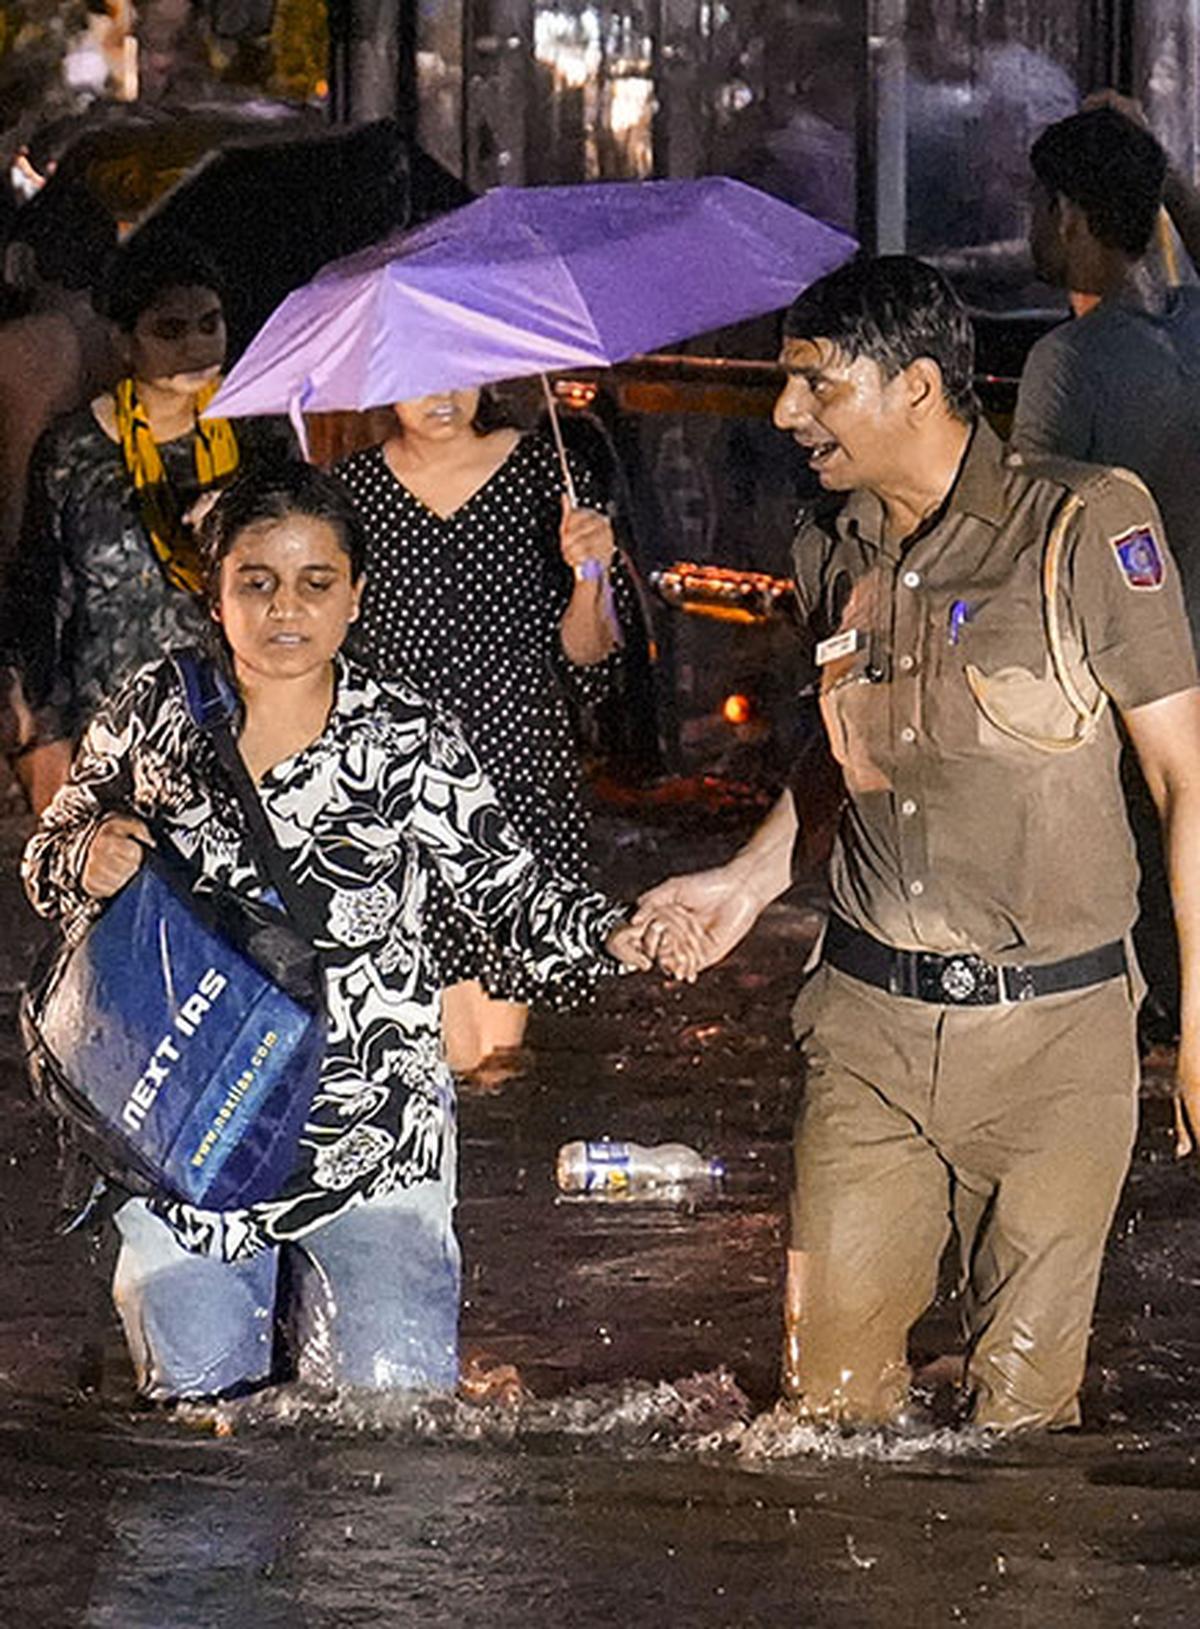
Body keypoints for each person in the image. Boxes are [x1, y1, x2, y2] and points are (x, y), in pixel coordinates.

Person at [637, 255, 1200, 1432]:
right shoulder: (826, 548)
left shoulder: (1085, 525)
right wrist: (747, 883)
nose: (788, 416)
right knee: (824, 1426)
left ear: (921, 387)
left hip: (1056, 1049)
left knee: (1021, 1431)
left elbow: (1185, 779)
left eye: (817, 387)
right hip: (868, 1036)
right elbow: (847, 757)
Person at [22, 461, 653, 1404]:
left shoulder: (407, 736)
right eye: (257, 582)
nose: (287, 609)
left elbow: (508, 897)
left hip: (375, 1139)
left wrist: (625, 933)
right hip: (189, 1135)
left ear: (355, 594)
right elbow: (47, 853)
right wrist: (85, 855)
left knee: (393, 1457)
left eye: (316, 583)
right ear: (215, 591)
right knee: (201, 1458)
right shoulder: (157, 712)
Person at [336, 390, 635, 1073]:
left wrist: (590, 574)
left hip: (516, 767)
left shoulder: (546, 472)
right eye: (420, 374)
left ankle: (498, 1175)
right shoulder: (349, 491)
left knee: (499, 1050)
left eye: (457, 372)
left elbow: (589, 656)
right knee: (430, 1046)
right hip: (399, 774)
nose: (441, 395)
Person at [1014, 100, 1200, 1044]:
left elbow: (1031, 546)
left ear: (1070, 217)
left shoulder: (1068, 364)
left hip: (1127, 698)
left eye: (1036, 206)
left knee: (1141, 984)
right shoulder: (1196, 332)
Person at [2, 230, 287, 816]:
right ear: (123, 341)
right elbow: (40, 589)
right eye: (170, 330)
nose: (197, 347)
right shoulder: (74, 450)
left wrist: (245, 516)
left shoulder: (254, 437)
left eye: (210, 323)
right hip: (107, 730)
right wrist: (44, 730)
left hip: (239, 718)